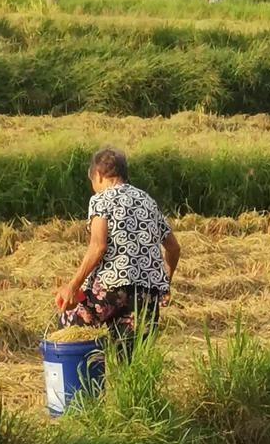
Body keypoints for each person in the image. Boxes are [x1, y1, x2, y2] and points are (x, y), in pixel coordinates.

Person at [55, 148, 181, 351]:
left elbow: (98, 246)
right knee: (132, 360)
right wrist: (165, 281)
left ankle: (78, 382)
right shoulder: (147, 201)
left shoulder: (101, 200)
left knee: (70, 334)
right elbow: (174, 248)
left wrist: (73, 285)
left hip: (111, 288)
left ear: (98, 175)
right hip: (146, 294)